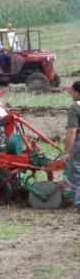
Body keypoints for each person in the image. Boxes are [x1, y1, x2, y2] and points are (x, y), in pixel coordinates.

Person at [62, 81, 80, 212]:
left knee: (76, 174)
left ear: (78, 93)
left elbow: (72, 131)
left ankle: (78, 202)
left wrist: (66, 152)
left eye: (73, 91)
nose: (71, 94)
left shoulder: (75, 108)